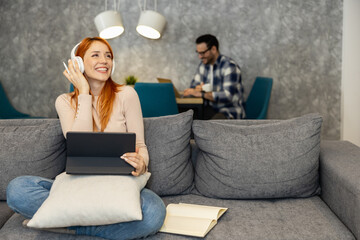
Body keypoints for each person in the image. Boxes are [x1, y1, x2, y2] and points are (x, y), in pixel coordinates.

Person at [6, 37, 166, 240]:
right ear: (78, 63)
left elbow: (140, 145)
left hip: (118, 186)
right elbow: (77, 143)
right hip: (77, 185)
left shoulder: (127, 94)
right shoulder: (64, 101)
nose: (105, 60)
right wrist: (83, 92)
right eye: (96, 55)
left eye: (108, 56)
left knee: (154, 212)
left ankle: (70, 227)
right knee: (17, 189)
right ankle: (95, 224)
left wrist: (142, 163)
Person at [183, 34, 245, 119]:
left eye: (203, 53)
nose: (200, 56)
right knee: (188, 117)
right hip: (211, 109)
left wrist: (202, 94)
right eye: (198, 53)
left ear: (213, 49)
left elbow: (227, 96)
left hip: (229, 112)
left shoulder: (229, 66)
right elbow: (193, 87)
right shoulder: (203, 65)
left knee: (214, 123)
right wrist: (197, 88)